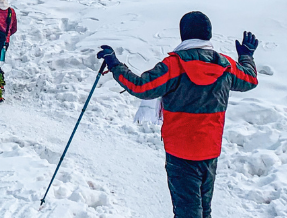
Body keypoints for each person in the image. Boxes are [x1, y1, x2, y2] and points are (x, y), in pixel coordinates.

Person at [96, 11, 258, 218]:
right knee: (203, 210)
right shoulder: (225, 65)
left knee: (187, 213)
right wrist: (246, 55)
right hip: (210, 151)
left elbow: (141, 86)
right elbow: (250, 79)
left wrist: (114, 64)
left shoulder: (173, 65)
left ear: (183, 35)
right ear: (208, 34)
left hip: (180, 152)